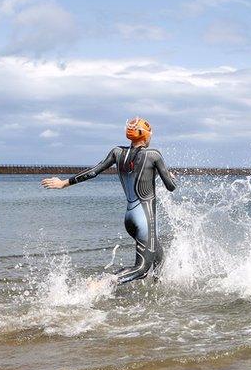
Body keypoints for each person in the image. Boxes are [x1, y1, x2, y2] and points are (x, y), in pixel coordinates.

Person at [42, 117, 176, 284]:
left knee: (158, 257)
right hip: (144, 219)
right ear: (144, 135)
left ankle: (158, 292)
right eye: (149, 135)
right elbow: (171, 187)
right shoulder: (154, 155)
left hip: (129, 219)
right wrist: (170, 176)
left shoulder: (117, 152)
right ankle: (102, 282)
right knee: (141, 269)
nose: (150, 138)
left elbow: (93, 172)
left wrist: (64, 183)